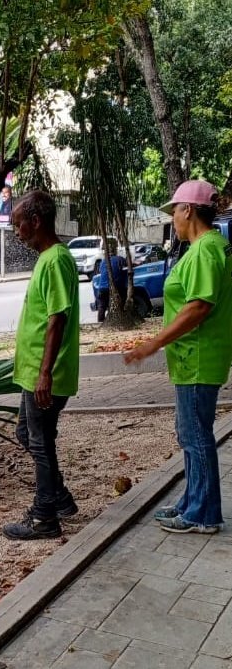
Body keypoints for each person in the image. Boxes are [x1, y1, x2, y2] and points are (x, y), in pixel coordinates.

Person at [125, 180, 232, 534]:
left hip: (197, 358)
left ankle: (203, 514)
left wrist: (154, 343)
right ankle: (192, 501)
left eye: (174, 211)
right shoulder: (211, 246)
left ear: (188, 210)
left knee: (196, 435)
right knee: (190, 433)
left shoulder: (205, 250)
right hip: (194, 358)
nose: (173, 219)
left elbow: (199, 306)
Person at [2, 190, 80, 540]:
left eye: (18, 225)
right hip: (33, 372)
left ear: (35, 221)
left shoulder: (56, 260)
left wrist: (45, 372)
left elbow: (56, 318)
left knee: (40, 442)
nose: (17, 233)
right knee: (29, 435)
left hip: (44, 373)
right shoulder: (49, 258)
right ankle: (59, 497)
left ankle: (44, 517)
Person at [97, 254, 127, 323]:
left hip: (102, 287)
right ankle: (121, 316)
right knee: (122, 299)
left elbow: (100, 271)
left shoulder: (104, 261)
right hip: (114, 287)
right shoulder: (119, 259)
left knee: (102, 306)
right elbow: (126, 266)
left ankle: (100, 322)